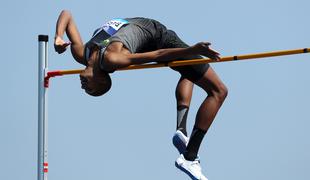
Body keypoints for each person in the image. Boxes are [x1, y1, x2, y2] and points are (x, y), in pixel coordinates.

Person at [54, 10, 228, 180]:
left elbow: (66, 14)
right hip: (157, 37)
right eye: (90, 89)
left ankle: (181, 131)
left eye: (88, 89)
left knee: (191, 72)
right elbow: (158, 54)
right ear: (101, 79)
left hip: (147, 32)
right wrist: (191, 50)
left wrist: (58, 37)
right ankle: (190, 158)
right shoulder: (112, 59)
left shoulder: (81, 53)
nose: (83, 87)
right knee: (219, 91)